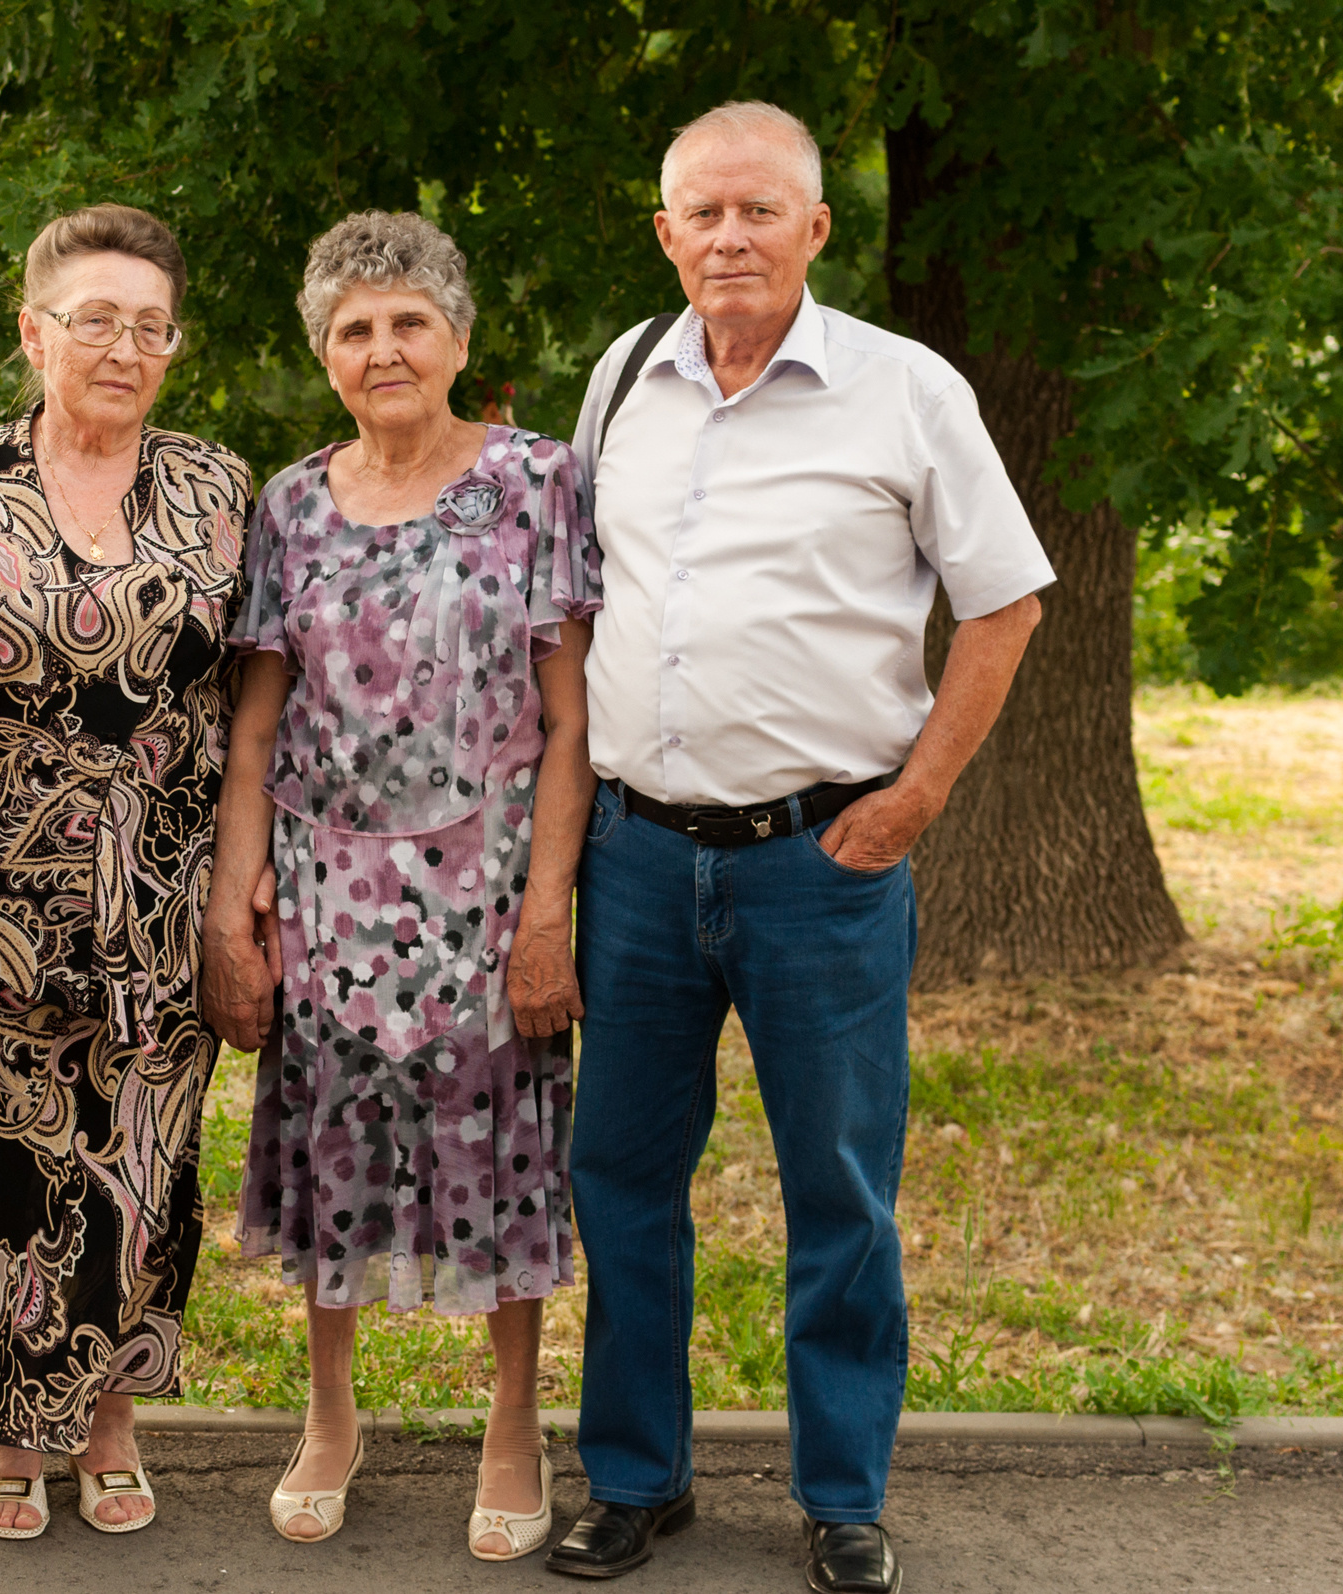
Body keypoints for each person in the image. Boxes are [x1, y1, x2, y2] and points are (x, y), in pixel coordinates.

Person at [542, 103, 1052, 1594]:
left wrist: (917, 799)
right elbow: (579, 610)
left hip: (820, 864)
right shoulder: (623, 376)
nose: (729, 237)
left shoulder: (907, 391)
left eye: (760, 210)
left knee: (841, 1186)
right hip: (636, 861)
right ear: (664, 233)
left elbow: (1005, 602)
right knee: (621, 1175)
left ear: (817, 228)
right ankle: (638, 1477)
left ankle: (843, 1493)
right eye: (701, 213)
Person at [201, 211, 602, 1562]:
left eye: (408, 322)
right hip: (326, 890)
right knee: (331, 1149)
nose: (383, 349)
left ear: (457, 339)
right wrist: (235, 893)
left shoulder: (540, 481)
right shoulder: (289, 503)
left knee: (503, 1150)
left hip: (488, 887)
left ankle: (512, 1422)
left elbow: (572, 720)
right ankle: (328, 1415)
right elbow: (255, 723)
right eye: (354, 328)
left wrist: (549, 908)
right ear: (325, 353)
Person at [0, 204, 257, 1540]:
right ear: (34, 332)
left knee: (138, 1173)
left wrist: (234, 901)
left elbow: (236, 708)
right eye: (94, 319)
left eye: (150, 325)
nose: (123, 346)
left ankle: (109, 1415)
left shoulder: (217, 486)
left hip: (160, 895)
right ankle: (5, 1434)